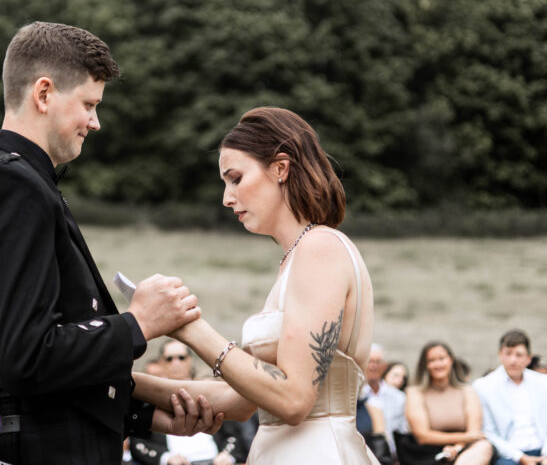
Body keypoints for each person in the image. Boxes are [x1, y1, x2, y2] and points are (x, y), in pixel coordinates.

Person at [0, 21, 216, 465]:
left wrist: (140, 415)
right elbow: (26, 357)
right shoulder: (10, 186)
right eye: (89, 104)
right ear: (45, 93)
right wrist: (139, 323)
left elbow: (42, 372)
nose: (96, 121)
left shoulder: (23, 180)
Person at [132, 106, 380, 464]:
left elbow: (294, 400)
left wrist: (190, 329)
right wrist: (121, 381)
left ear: (280, 168)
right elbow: (238, 402)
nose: (226, 197)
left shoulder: (320, 248)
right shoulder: (295, 259)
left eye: (235, 178)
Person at [474, 329, 547, 465]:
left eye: (519, 355)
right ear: (500, 355)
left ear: (528, 358)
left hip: (545, 451)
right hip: (509, 456)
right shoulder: (483, 386)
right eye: (508, 354)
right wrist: (520, 457)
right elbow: (489, 433)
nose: (513, 360)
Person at [129, 340, 248, 465]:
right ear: (161, 363)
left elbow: (233, 436)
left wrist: (227, 455)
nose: (176, 363)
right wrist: (166, 458)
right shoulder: (150, 396)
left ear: (190, 361)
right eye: (169, 359)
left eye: (181, 357)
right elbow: (138, 443)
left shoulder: (208, 390)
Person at [398, 341, 493, 465]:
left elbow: (474, 433)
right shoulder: (415, 393)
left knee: (484, 447)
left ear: (451, 360)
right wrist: (463, 437)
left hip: (462, 449)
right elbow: (422, 436)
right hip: (426, 453)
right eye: (431, 361)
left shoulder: (467, 391)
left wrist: (457, 448)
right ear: (425, 365)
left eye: (441, 359)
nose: (438, 364)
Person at [365, 342, 410, 456]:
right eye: (370, 361)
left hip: (390, 457)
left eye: (378, 362)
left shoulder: (399, 397)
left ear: (384, 366)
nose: (373, 366)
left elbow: (402, 431)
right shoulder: (354, 395)